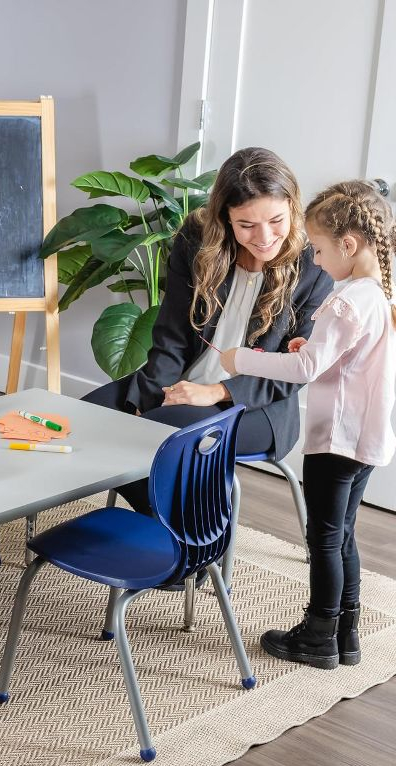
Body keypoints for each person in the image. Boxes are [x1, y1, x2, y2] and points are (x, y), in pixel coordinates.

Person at [83, 148, 334, 552]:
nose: (265, 238)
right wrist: (146, 398)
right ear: (225, 219)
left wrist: (217, 392)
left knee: (155, 435)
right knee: (86, 419)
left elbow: (294, 369)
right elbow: (171, 335)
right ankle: (179, 531)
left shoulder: (314, 263)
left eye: (276, 221)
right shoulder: (196, 241)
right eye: (247, 225)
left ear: (292, 207)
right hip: (180, 383)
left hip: (258, 407)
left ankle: (195, 545)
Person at [221, 180, 396, 668]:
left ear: (349, 244)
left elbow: (303, 372)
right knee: (343, 535)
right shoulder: (375, 294)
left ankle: (318, 634)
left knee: (322, 538)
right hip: (365, 441)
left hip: (336, 443)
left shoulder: (343, 303)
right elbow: (341, 360)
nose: (314, 262)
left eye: (318, 249)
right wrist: (310, 349)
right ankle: (346, 633)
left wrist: (245, 359)